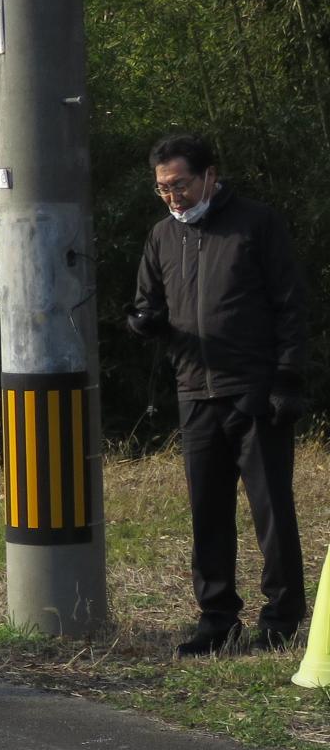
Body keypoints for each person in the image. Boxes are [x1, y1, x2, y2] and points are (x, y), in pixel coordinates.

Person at [128, 132, 311, 656]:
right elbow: (144, 304)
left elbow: (290, 306)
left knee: (270, 510)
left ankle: (280, 619)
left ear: (210, 174)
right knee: (206, 512)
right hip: (195, 391)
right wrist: (145, 323)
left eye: (180, 185)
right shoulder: (162, 235)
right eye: (163, 188)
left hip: (255, 391)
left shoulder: (256, 224)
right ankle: (217, 619)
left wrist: (287, 378)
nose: (172, 197)